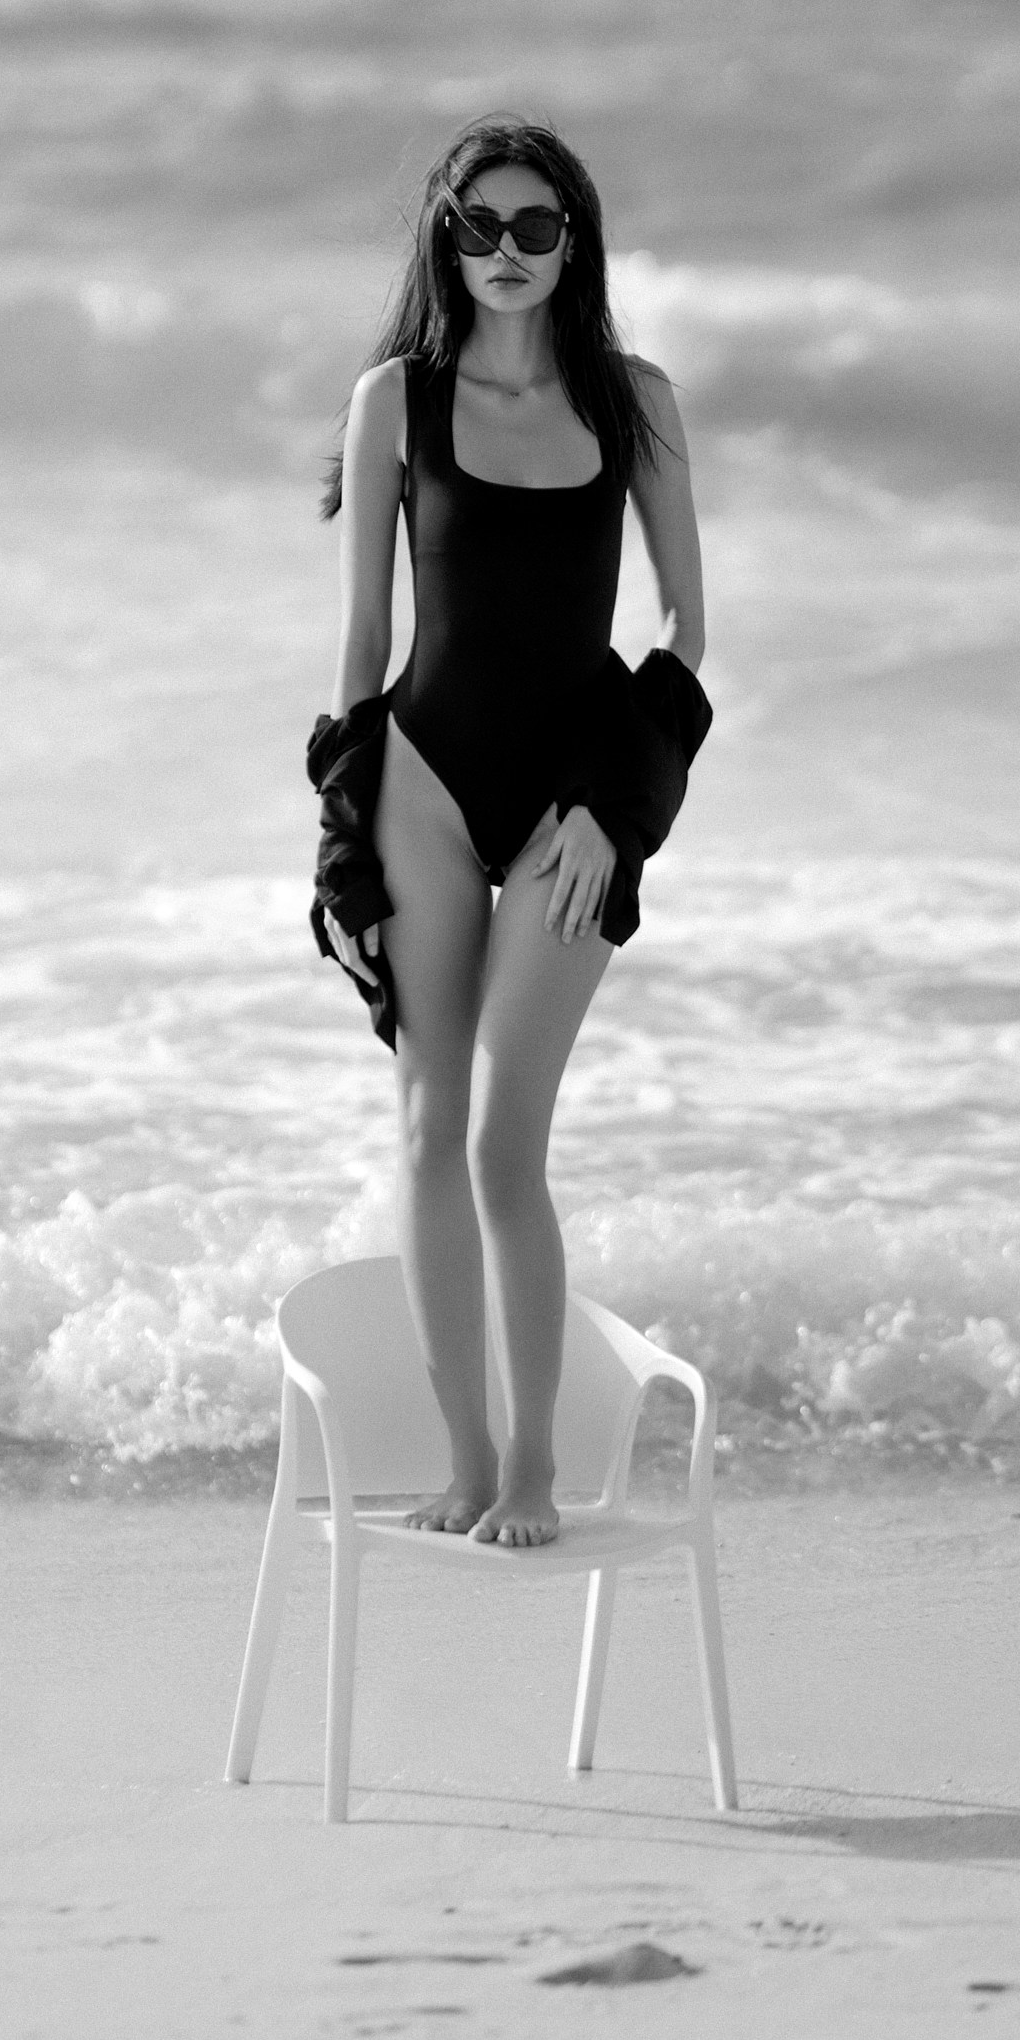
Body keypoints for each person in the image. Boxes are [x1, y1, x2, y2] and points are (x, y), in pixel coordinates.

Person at [310, 118, 710, 1549]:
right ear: (445, 240)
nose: (508, 254)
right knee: (425, 1127)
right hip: (421, 774)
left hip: (569, 806)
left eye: (536, 227)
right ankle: (469, 1466)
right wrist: (341, 843)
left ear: (575, 239)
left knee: (501, 1144)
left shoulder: (637, 403)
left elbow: (681, 631)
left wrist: (616, 808)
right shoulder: (395, 402)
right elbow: (362, 639)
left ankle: (539, 1467)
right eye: (480, 228)